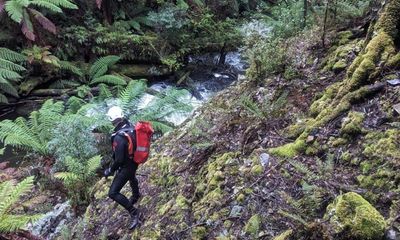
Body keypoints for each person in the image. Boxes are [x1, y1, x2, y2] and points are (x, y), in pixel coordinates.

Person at [104, 106, 140, 230]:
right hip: (134, 161)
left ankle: (134, 213)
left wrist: (111, 170)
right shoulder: (130, 126)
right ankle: (136, 195)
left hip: (127, 166)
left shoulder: (119, 137)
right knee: (132, 176)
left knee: (113, 193)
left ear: (112, 120)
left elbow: (118, 159)